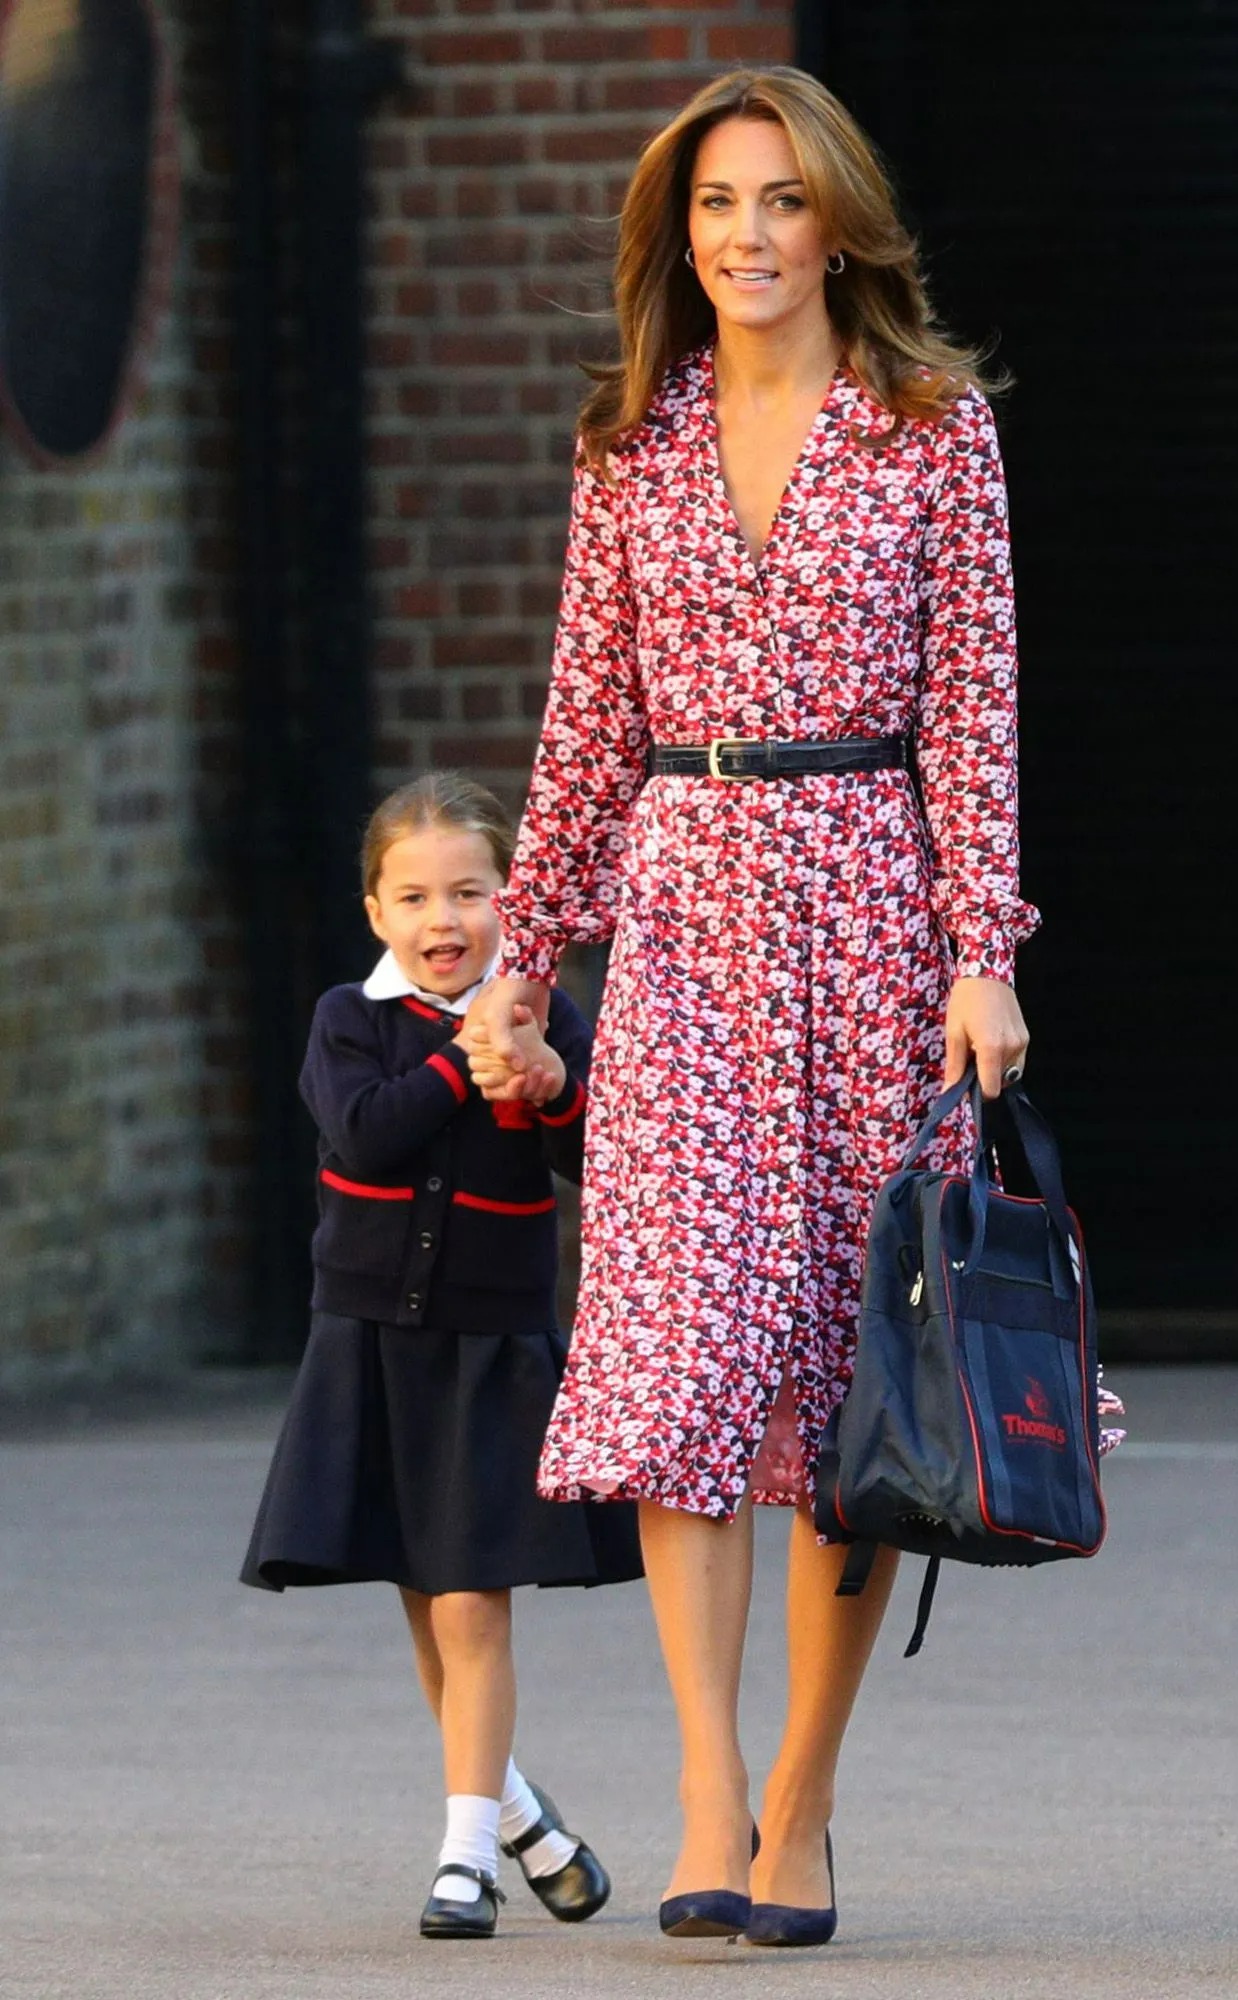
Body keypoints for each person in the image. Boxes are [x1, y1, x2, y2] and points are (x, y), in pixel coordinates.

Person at [463, 66, 1123, 1949]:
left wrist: (981, 950)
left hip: (871, 918)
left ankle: (803, 1803)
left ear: (836, 220)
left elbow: (975, 709)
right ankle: (701, 1783)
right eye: (712, 208)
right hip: (680, 923)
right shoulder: (631, 442)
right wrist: (527, 953)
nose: (744, 237)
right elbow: (585, 726)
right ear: (676, 239)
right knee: (679, 1364)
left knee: (849, 1386)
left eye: (775, 201)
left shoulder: (931, 434)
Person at [241, 773, 642, 1942]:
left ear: (510, 901)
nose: (444, 917)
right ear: (375, 909)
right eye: (414, 894)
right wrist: (459, 1066)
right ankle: (524, 1817)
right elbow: (361, 1127)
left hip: (488, 1340)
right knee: (428, 1603)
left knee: (472, 1600)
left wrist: (556, 1082)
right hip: (368, 1338)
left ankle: (465, 1857)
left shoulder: (543, 1013)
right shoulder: (345, 1019)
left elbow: (597, 1156)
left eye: (471, 890)